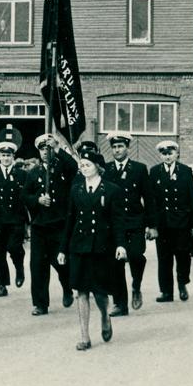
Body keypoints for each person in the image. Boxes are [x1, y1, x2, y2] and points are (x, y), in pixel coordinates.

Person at [57, 142, 128, 351]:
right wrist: (62, 249)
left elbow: (118, 221)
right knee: (81, 292)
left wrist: (121, 245)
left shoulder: (112, 190)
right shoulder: (76, 190)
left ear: (98, 166)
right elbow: (70, 221)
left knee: (99, 292)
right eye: (81, 165)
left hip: (101, 248)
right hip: (79, 247)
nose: (83, 168)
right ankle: (85, 336)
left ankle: (105, 316)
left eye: (87, 164)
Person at [22, 133, 78, 316]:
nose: (45, 152)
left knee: (61, 262)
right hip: (39, 226)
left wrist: (57, 148)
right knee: (38, 265)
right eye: (42, 149)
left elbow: (74, 166)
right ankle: (40, 304)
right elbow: (24, 196)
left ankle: (68, 287)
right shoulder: (33, 173)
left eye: (48, 148)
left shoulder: (62, 167)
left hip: (59, 224)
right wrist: (37, 200)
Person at [101, 130, 151, 316]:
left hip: (135, 221)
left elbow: (149, 198)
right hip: (114, 224)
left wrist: (151, 225)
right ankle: (120, 304)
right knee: (115, 264)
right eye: (114, 147)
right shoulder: (106, 170)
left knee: (137, 256)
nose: (117, 150)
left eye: (120, 146)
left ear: (127, 148)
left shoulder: (139, 169)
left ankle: (136, 285)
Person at [146, 139, 193, 302]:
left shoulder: (185, 171)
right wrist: (152, 225)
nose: (167, 157)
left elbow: (192, 198)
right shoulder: (154, 172)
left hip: (182, 222)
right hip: (163, 224)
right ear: (160, 155)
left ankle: (182, 284)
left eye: (170, 153)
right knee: (164, 258)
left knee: (183, 256)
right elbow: (151, 201)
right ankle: (166, 291)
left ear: (176, 154)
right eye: (164, 154)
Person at [0, 127, 28, 298]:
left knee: (14, 247)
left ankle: (19, 268)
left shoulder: (22, 174)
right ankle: (2, 284)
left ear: (13, 157)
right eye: (3, 155)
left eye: (9, 155)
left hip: (16, 220)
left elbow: (26, 197)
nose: (5, 158)